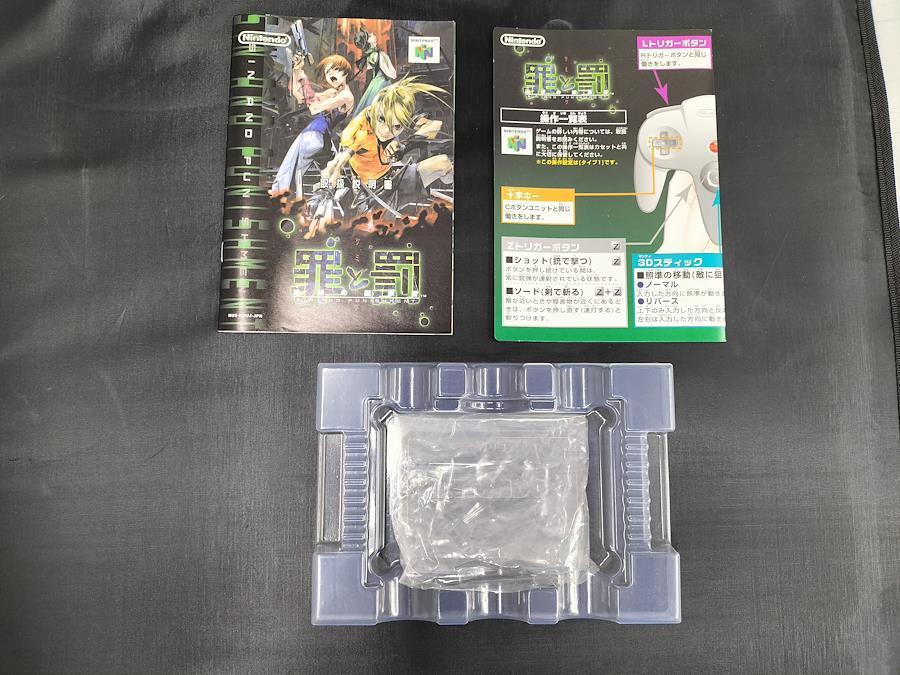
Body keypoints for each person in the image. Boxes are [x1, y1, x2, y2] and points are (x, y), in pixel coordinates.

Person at [306, 76, 453, 239]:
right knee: (373, 236)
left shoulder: (397, 113)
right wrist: (323, 192)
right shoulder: (358, 130)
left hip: (393, 180)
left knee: (444, 164)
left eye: (396, 126)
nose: (386, 131)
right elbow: (336, 165)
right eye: (382, 120)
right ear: (375, 110)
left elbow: (434, 125)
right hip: (369, 193)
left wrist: (405, 146)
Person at [270, 54, 354, 198]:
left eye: (335, 69)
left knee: (288, 172)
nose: (331, 74)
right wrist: (298, 70)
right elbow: (300, 96)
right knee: (294, 174)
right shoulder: (332, 93)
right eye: (327, 72)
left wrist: (304, 79)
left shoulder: (346, 96)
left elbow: (314, 108)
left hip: (314, 136)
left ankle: (283, 198)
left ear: (346, 72)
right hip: (321, 140)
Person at [351, 29, 396, 118]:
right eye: (369, 35)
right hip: (381, 84)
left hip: (378, 83)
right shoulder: (376, 55)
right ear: (368, 41)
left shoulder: (375, 54)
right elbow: (392, 74)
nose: (372, 33)